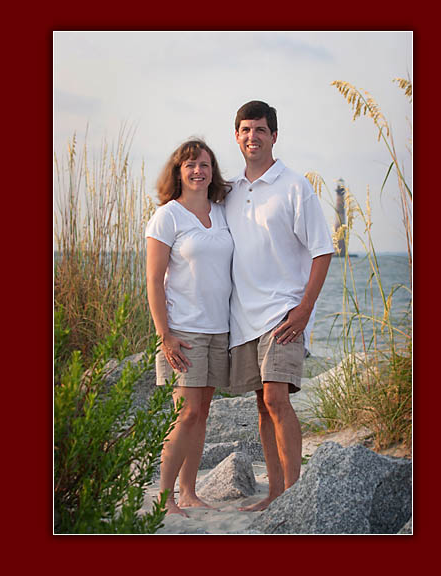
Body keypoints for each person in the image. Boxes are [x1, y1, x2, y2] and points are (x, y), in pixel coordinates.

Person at [225, 101, 333, 511]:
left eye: (261, 129)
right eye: (246, 129)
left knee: (275, 399)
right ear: (237, 136)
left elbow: (323, 251)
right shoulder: (231, 191)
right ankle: (274, 492)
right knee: (261, 403)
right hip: (244, 318)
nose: (253, 136)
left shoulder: (294, 186)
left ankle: (294, 494)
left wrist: (303, 312)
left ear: (274, 136)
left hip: (284, 314)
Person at [145, 139, 233, 517]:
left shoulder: (222, 213)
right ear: (178, 172)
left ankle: (190, 491)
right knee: (186, 414)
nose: (198, 171)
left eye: (205, 165)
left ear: (213, 171)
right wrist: (165, 334)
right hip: (184, 330)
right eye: (190, 165)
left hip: (219, 329)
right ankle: (165, 498)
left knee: (203, 411)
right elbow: (153, 280)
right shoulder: (168, 216)